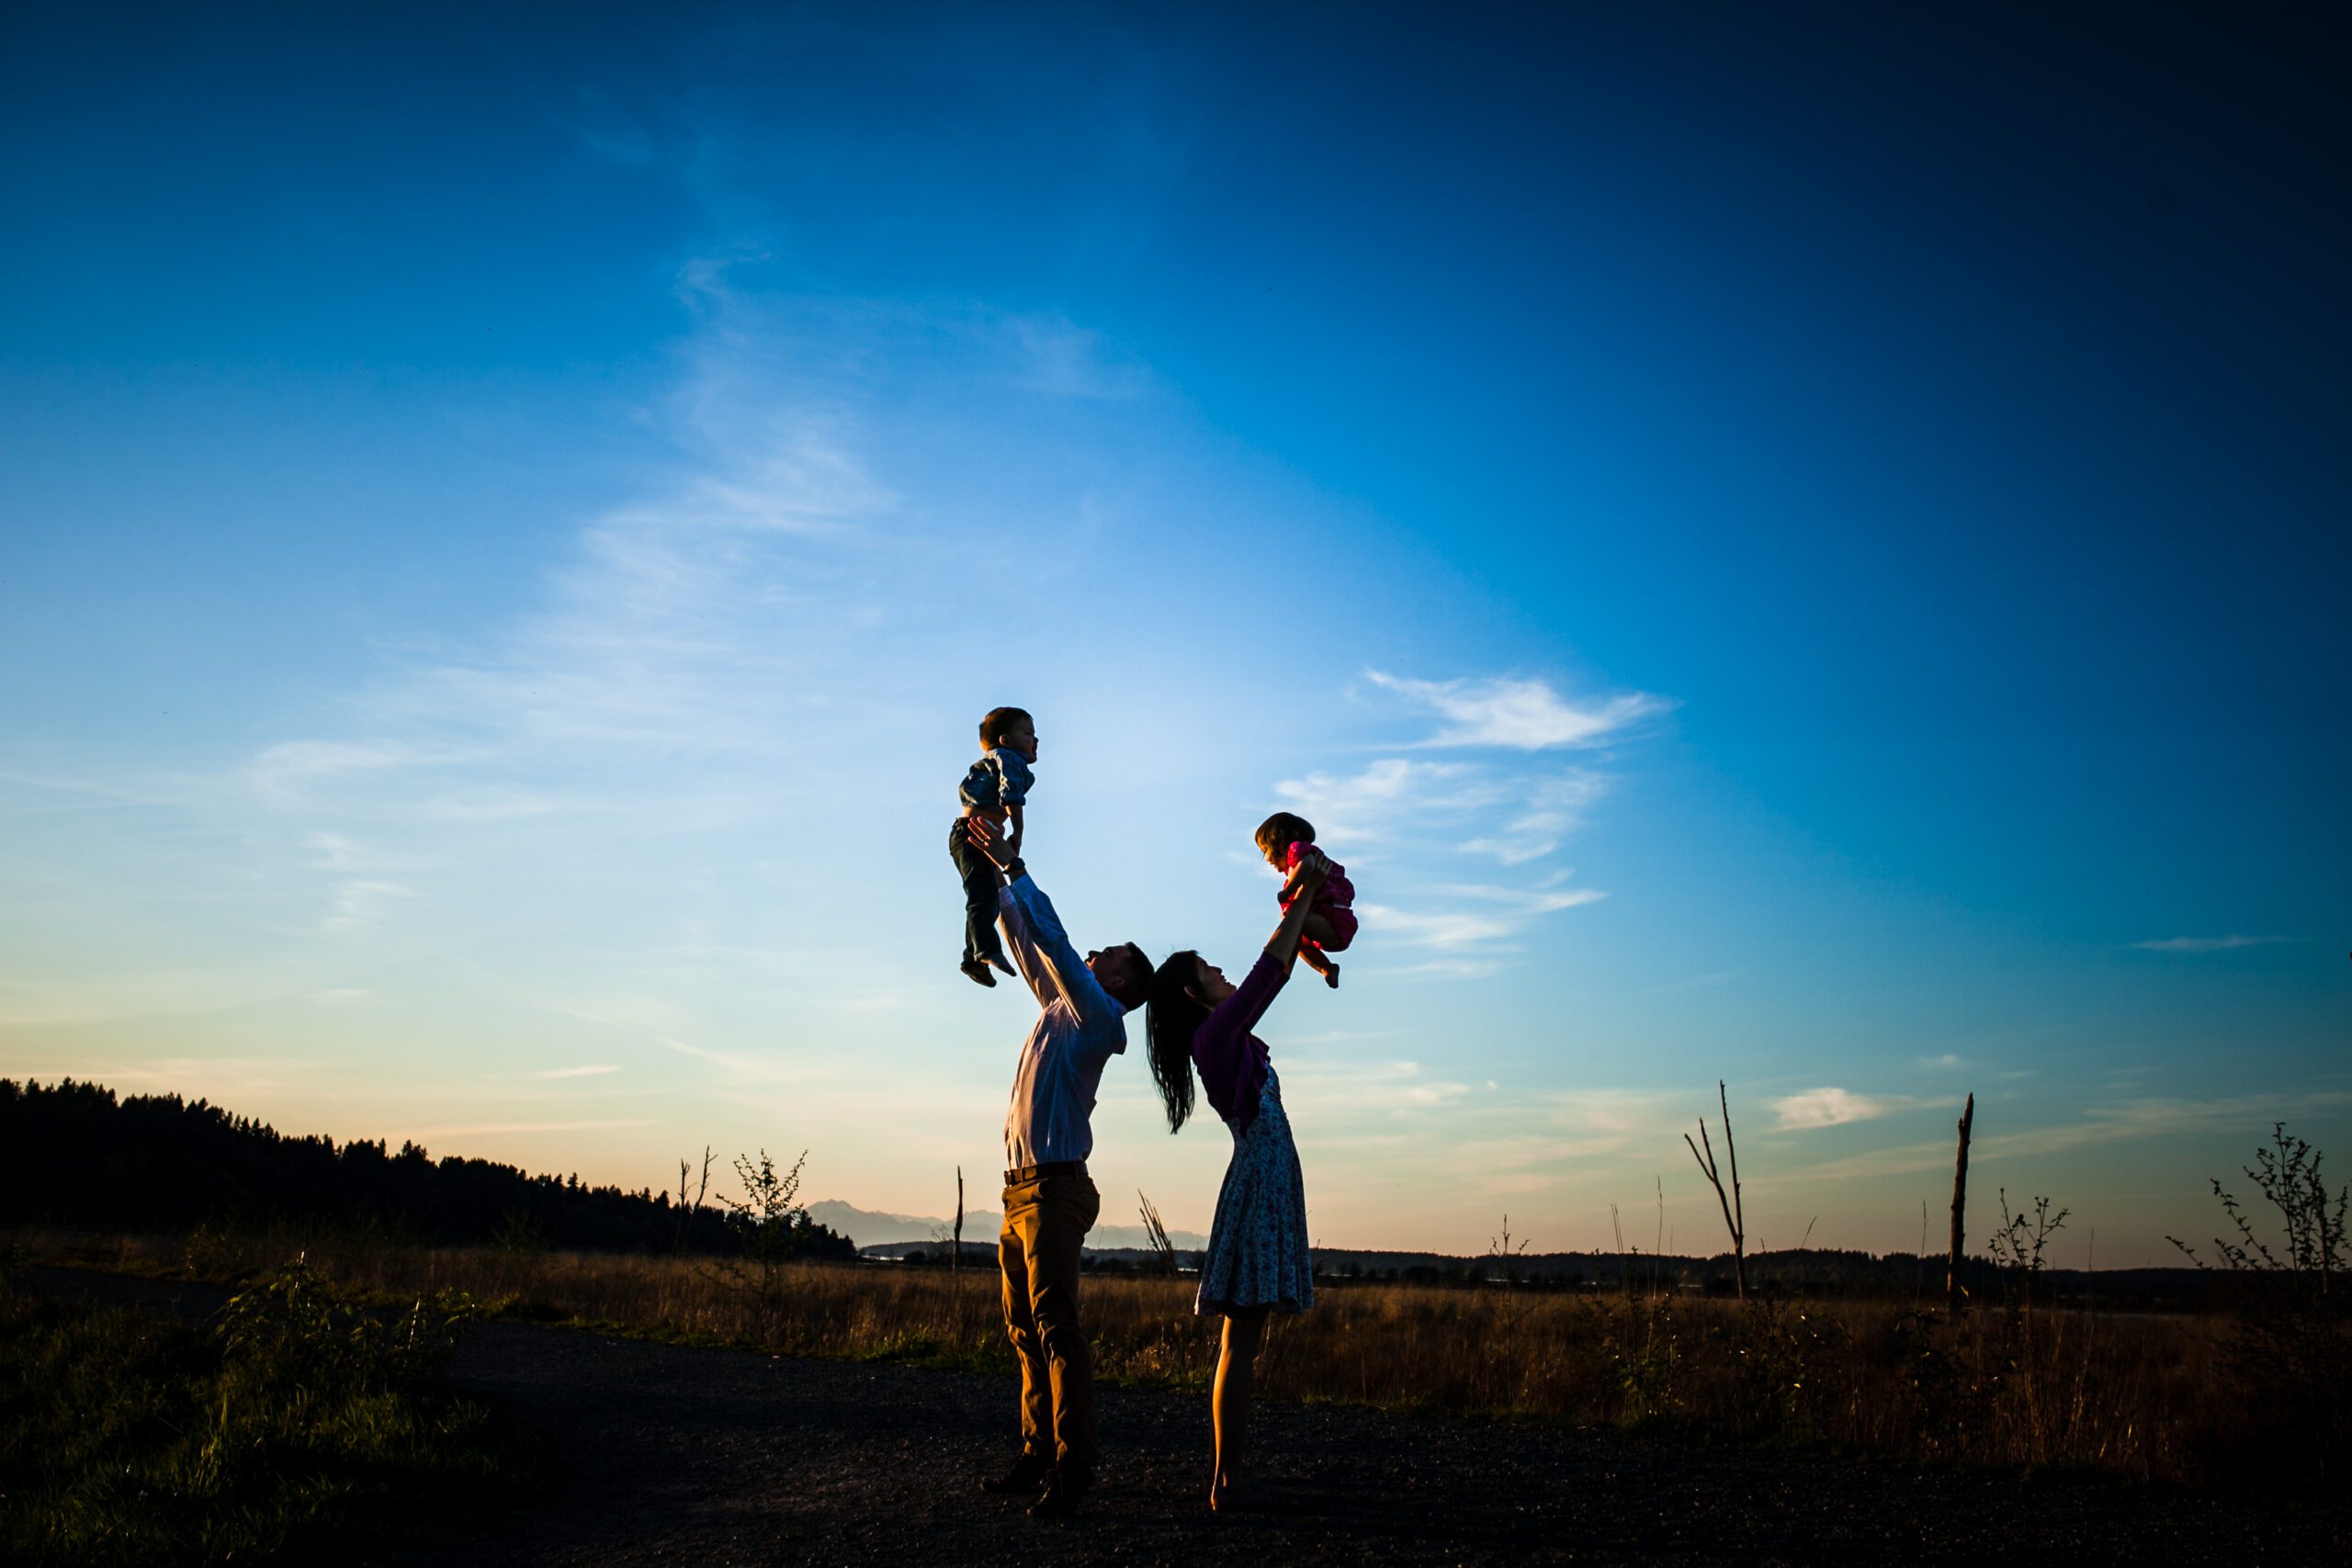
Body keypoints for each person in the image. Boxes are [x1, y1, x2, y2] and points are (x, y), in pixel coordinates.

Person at [964, 817, 1153, 1517]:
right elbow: (1028, 941)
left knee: (1055, 1325)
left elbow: (1060, 947)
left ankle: (1075, 1465)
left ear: (1123, 980)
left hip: (1055, 1191)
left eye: (1113, 954)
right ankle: (1038, 1451)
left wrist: (1017, 869)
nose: (1097, 951)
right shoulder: (1058, 1011)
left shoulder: (1102, 1019)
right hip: (1020, 1194)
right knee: (1022, 1328)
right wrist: (992, 872)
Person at [1143, 849, 1329, 1510]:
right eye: (1209, 970)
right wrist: (1304, 888)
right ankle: (1225, 1479)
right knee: (1240, 1343)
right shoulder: (1214, 1037)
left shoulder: (1227, 1038)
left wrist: (1305, 913)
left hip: (1265, 1184)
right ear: (1195, 994)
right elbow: (1265, 974)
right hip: (1257, 1187)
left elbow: (1272, 974)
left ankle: (1231, 1472)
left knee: (1244, 1342)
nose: (1221, 972)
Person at [950, 706, 1038, 987]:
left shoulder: (1000, 760)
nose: (1035, 740)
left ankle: (973, 958)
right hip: (973, 834)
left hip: (973, 836)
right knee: (982, 895)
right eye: (1028, 734)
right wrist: (1018, 831)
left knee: (985, 895)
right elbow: (1010, 793)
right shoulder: (1009, 760)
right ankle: (986, 949)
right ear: (1006, 740)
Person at [1254, 811, 1356, 987]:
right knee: (1295, 938)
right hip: (1325, 922)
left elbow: (1308, 865)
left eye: (1265, 851)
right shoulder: (1294, 870)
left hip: (1334, 918)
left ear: (1281, 843)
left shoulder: (1297, 850)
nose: (1267, 859)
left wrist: (1289, 892)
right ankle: (1327, 968)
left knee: (1294, 925)